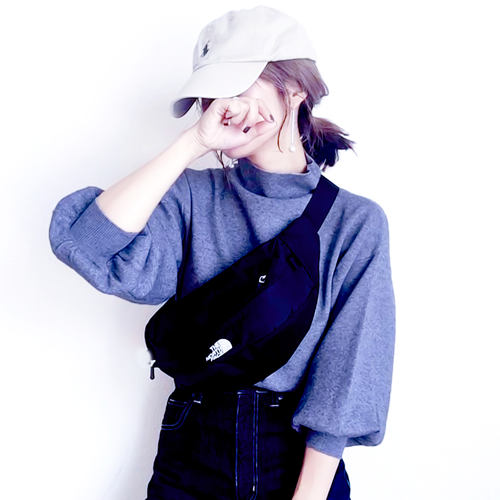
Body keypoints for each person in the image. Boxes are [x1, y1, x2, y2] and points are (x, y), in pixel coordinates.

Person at [48, 6, 395, 500]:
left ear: (295, 90)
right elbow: (86, 245)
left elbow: (349, 373)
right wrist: (192, 143)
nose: (221, 105)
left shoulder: (354, 222)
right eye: (210, 93)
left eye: (235, 85)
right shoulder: (193, 196)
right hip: (192, 447)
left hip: (296, 459)